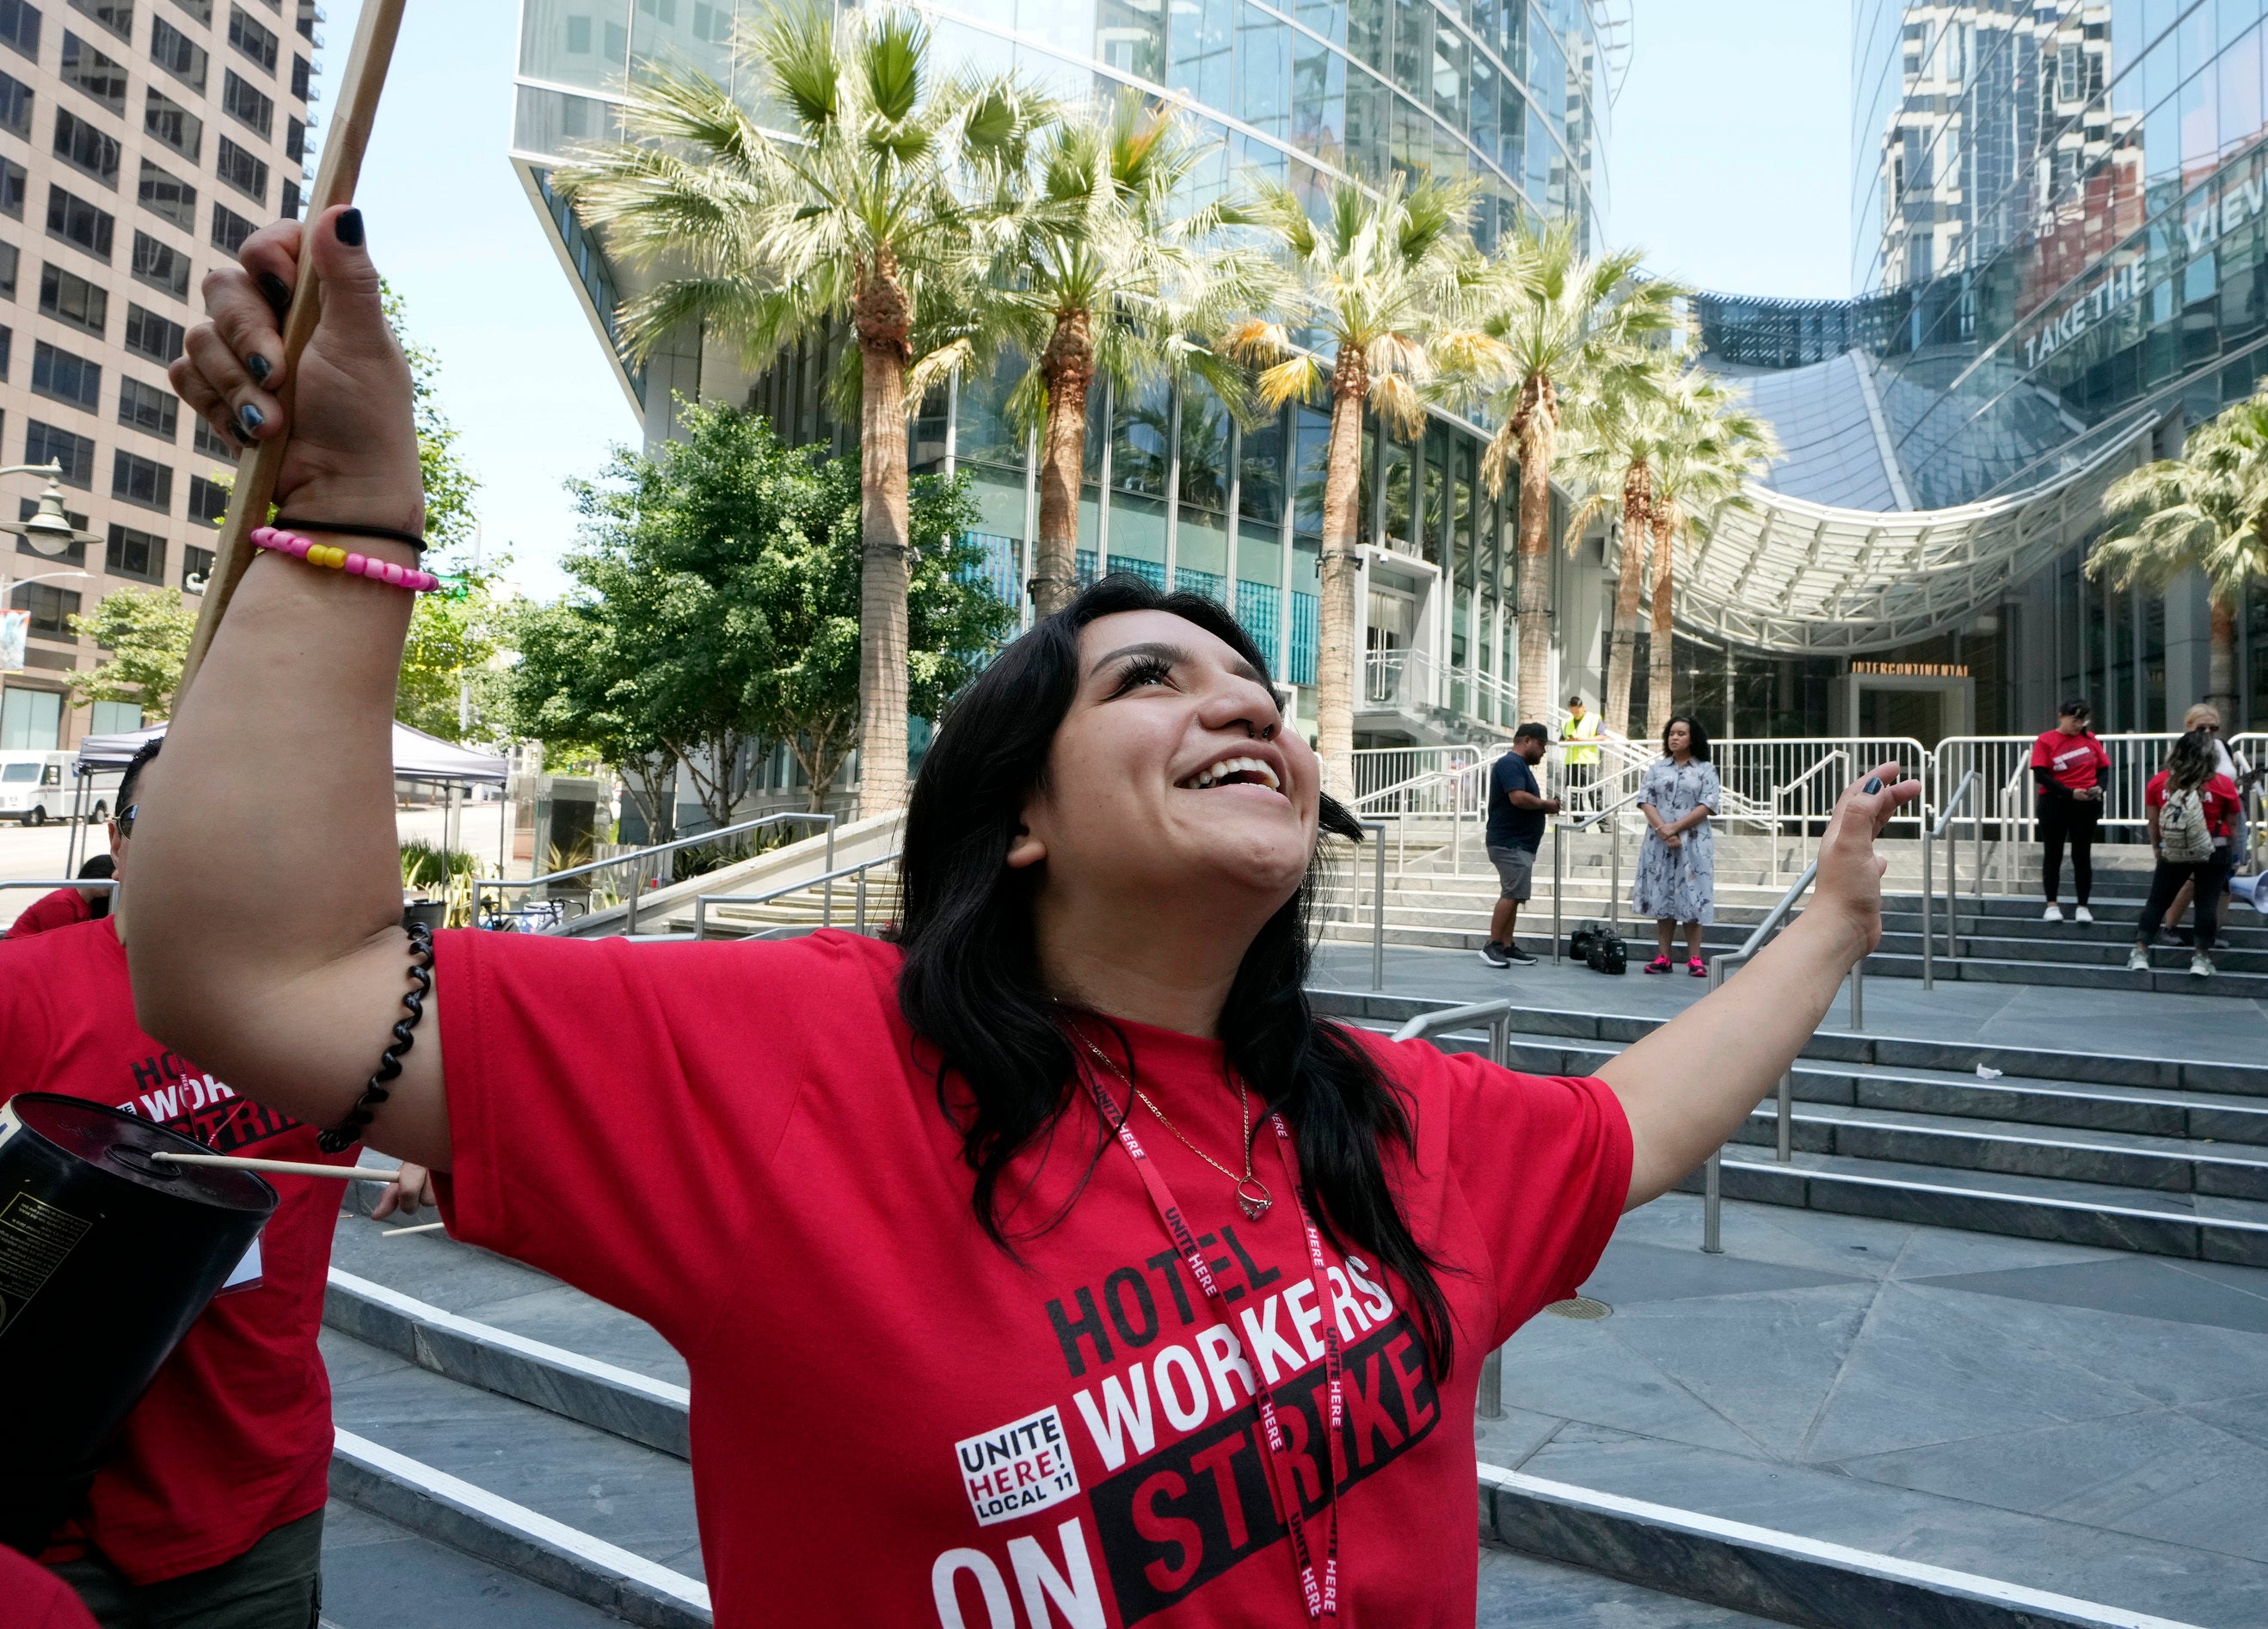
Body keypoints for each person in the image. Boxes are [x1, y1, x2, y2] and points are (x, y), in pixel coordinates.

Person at [125, 207, 1921, 1629]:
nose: (1246, 709)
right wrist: (350, 515)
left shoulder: (1392, 1119)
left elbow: (1634, 1126)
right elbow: (268, 972)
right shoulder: (814, 1062)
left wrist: (1831, 916)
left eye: (1263, 692)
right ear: (1025, 819)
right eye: (1153, 676)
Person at [0, 739, 427, 1627]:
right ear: (119, 840)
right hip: (42, 1522)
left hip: (253, 1508)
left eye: (234, 827)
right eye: (171, 822)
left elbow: (488, 1068)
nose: (206, 847)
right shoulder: (23, 986)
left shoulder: (332, 1008)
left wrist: (435, 1138)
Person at [2129, 731, 2241, 980]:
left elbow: (2153, 821)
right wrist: (2234, 854)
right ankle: (2200, 958)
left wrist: (2157, 848)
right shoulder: (2223, 784)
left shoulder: (2159, 783)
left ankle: (2140, 952)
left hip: (2174, 850)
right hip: (2215, 848)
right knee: (2206, 904)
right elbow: (2232, 824)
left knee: (2158, 900)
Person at [1635, 716, 1723, 978]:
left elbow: (1707, 805)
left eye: (1681, 733)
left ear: (1692, 738)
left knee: (1694, 894)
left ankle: (1695, 958)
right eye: (1671, 733)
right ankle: (1663, 956)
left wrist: (1676, 828)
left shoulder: (1706, 769)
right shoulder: (1657, 769)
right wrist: (1664, 830)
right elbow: (1646, 801)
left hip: (1693, 841)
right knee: (1663, 895)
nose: (1675, 738)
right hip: (1659, 841)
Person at [2156, 704, 2240, 946]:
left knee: (2224, 881)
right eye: (2201, 727)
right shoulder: (2185, 749)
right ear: (2189, 726)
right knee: (2192, 881)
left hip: (2225, 816)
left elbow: (2227, 780)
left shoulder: (2223, 746)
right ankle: (2169, 926)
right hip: (2193, 821)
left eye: (2213, 727)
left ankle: (2211, 932)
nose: (2208, 732)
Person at [1484, 721, 1561, 966]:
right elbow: (1518, 798)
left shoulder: (1519, 766)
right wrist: (1546, 805)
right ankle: (1493, 945)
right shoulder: (1510, 763)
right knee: (1511, 893)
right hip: (1509, 842)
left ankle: (1507, 945)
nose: (1544, 751)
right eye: (1541, 745)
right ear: (1526, 740)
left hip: (1518, 843)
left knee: (1515, 894)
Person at [2030, 699, 2109, 922]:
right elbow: (2041, 774)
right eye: (2075, 719)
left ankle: (2083, 905)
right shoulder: (2046, 740)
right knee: (2053, 853)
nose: (2078, 724)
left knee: (2082, 854)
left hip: (2087, 802)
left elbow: (2103, 768)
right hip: (2055, 802)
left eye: (2082, 720)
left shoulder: (2091, 740)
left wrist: (2099, 788)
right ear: (2061, 716)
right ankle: (2052, 903)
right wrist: (2068, 792)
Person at [8, 853, 115, 939]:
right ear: (97, 877)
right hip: (20, 947)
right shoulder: (62, 902)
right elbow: (62, 942)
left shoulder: (88, 902)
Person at [1558, 694, 1601, 814]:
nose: (1575, 714)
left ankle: (1604, 825)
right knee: (1573, 795)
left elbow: (1602, 737)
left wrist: (1584, 740)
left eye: (1577, 711)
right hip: (1572, 762)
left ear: (1583, 708)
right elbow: (1561, 740)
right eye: (1573, 712)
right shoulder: (1566, 722)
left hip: (1589, 761)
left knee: (1595, 793)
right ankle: (1578, 823)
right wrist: (1568, 741)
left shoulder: (1594, 719)